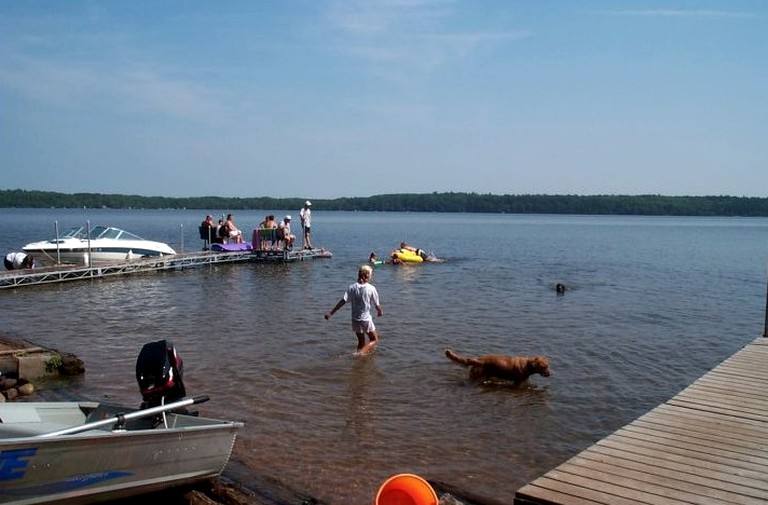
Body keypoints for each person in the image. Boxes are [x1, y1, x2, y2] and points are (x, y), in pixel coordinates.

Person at [325, 264, 383, 355]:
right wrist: (380, 311)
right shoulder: (371, 288)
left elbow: (343, 301)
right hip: (366, 319)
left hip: (355, 319)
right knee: (374, 340)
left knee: (361, 341)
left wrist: (331, 313)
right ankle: (360, 354)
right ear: (368, 275)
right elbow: (377, 305)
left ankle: (359, 360)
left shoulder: (351, 287)